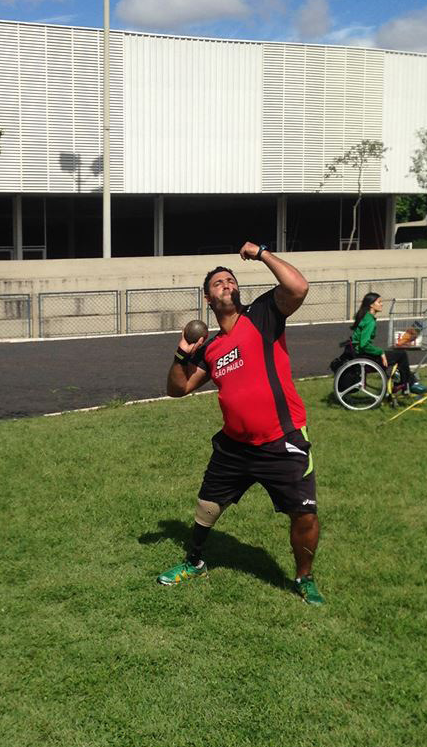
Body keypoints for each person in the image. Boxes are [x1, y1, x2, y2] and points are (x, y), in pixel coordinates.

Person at [158, 242, 324, 605]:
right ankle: (194, 561)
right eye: (218, 283)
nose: (226, 285)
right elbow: (178, 388)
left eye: (230, 280)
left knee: (305, 515)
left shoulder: (263, 314)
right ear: (207, 298)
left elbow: (298, 288)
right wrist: (181, 353)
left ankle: (303, 578)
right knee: (207, 506)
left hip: (282, 439)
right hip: (235, 445)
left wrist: (262, 253)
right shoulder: (211, 347)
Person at [349, 292, 427, 394]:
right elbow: (364, 345)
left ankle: (405, 382)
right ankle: (407, 384)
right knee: (401, 355)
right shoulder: (369, 321)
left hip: (361, 354)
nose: (382, 304)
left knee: (397, 355)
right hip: (365, 356)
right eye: (379, 302)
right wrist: (380, 352)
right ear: (371, 305)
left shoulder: (366, 317)